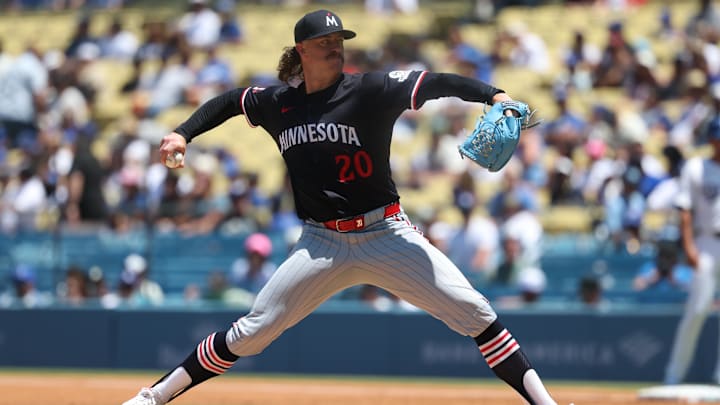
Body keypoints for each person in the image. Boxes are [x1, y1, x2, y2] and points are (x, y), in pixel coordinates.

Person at [122, 9, 561, 405]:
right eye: (324, 43)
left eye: (339, 41)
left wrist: (494, 95)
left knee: (477, 315)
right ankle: (153, 397)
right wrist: (182, 133)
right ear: (302, 51)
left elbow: (435, 82)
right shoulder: (279, 103)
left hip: (386, 234)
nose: (335, 48)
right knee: (250, 334)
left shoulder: (369, 90)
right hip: (321, 243)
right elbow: (230, 102)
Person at [665, 116, 720, 385]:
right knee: (697, 309)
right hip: (707, 242)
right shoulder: (697, 167)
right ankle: (674, 376)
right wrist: (688, 245)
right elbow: (684, 211)